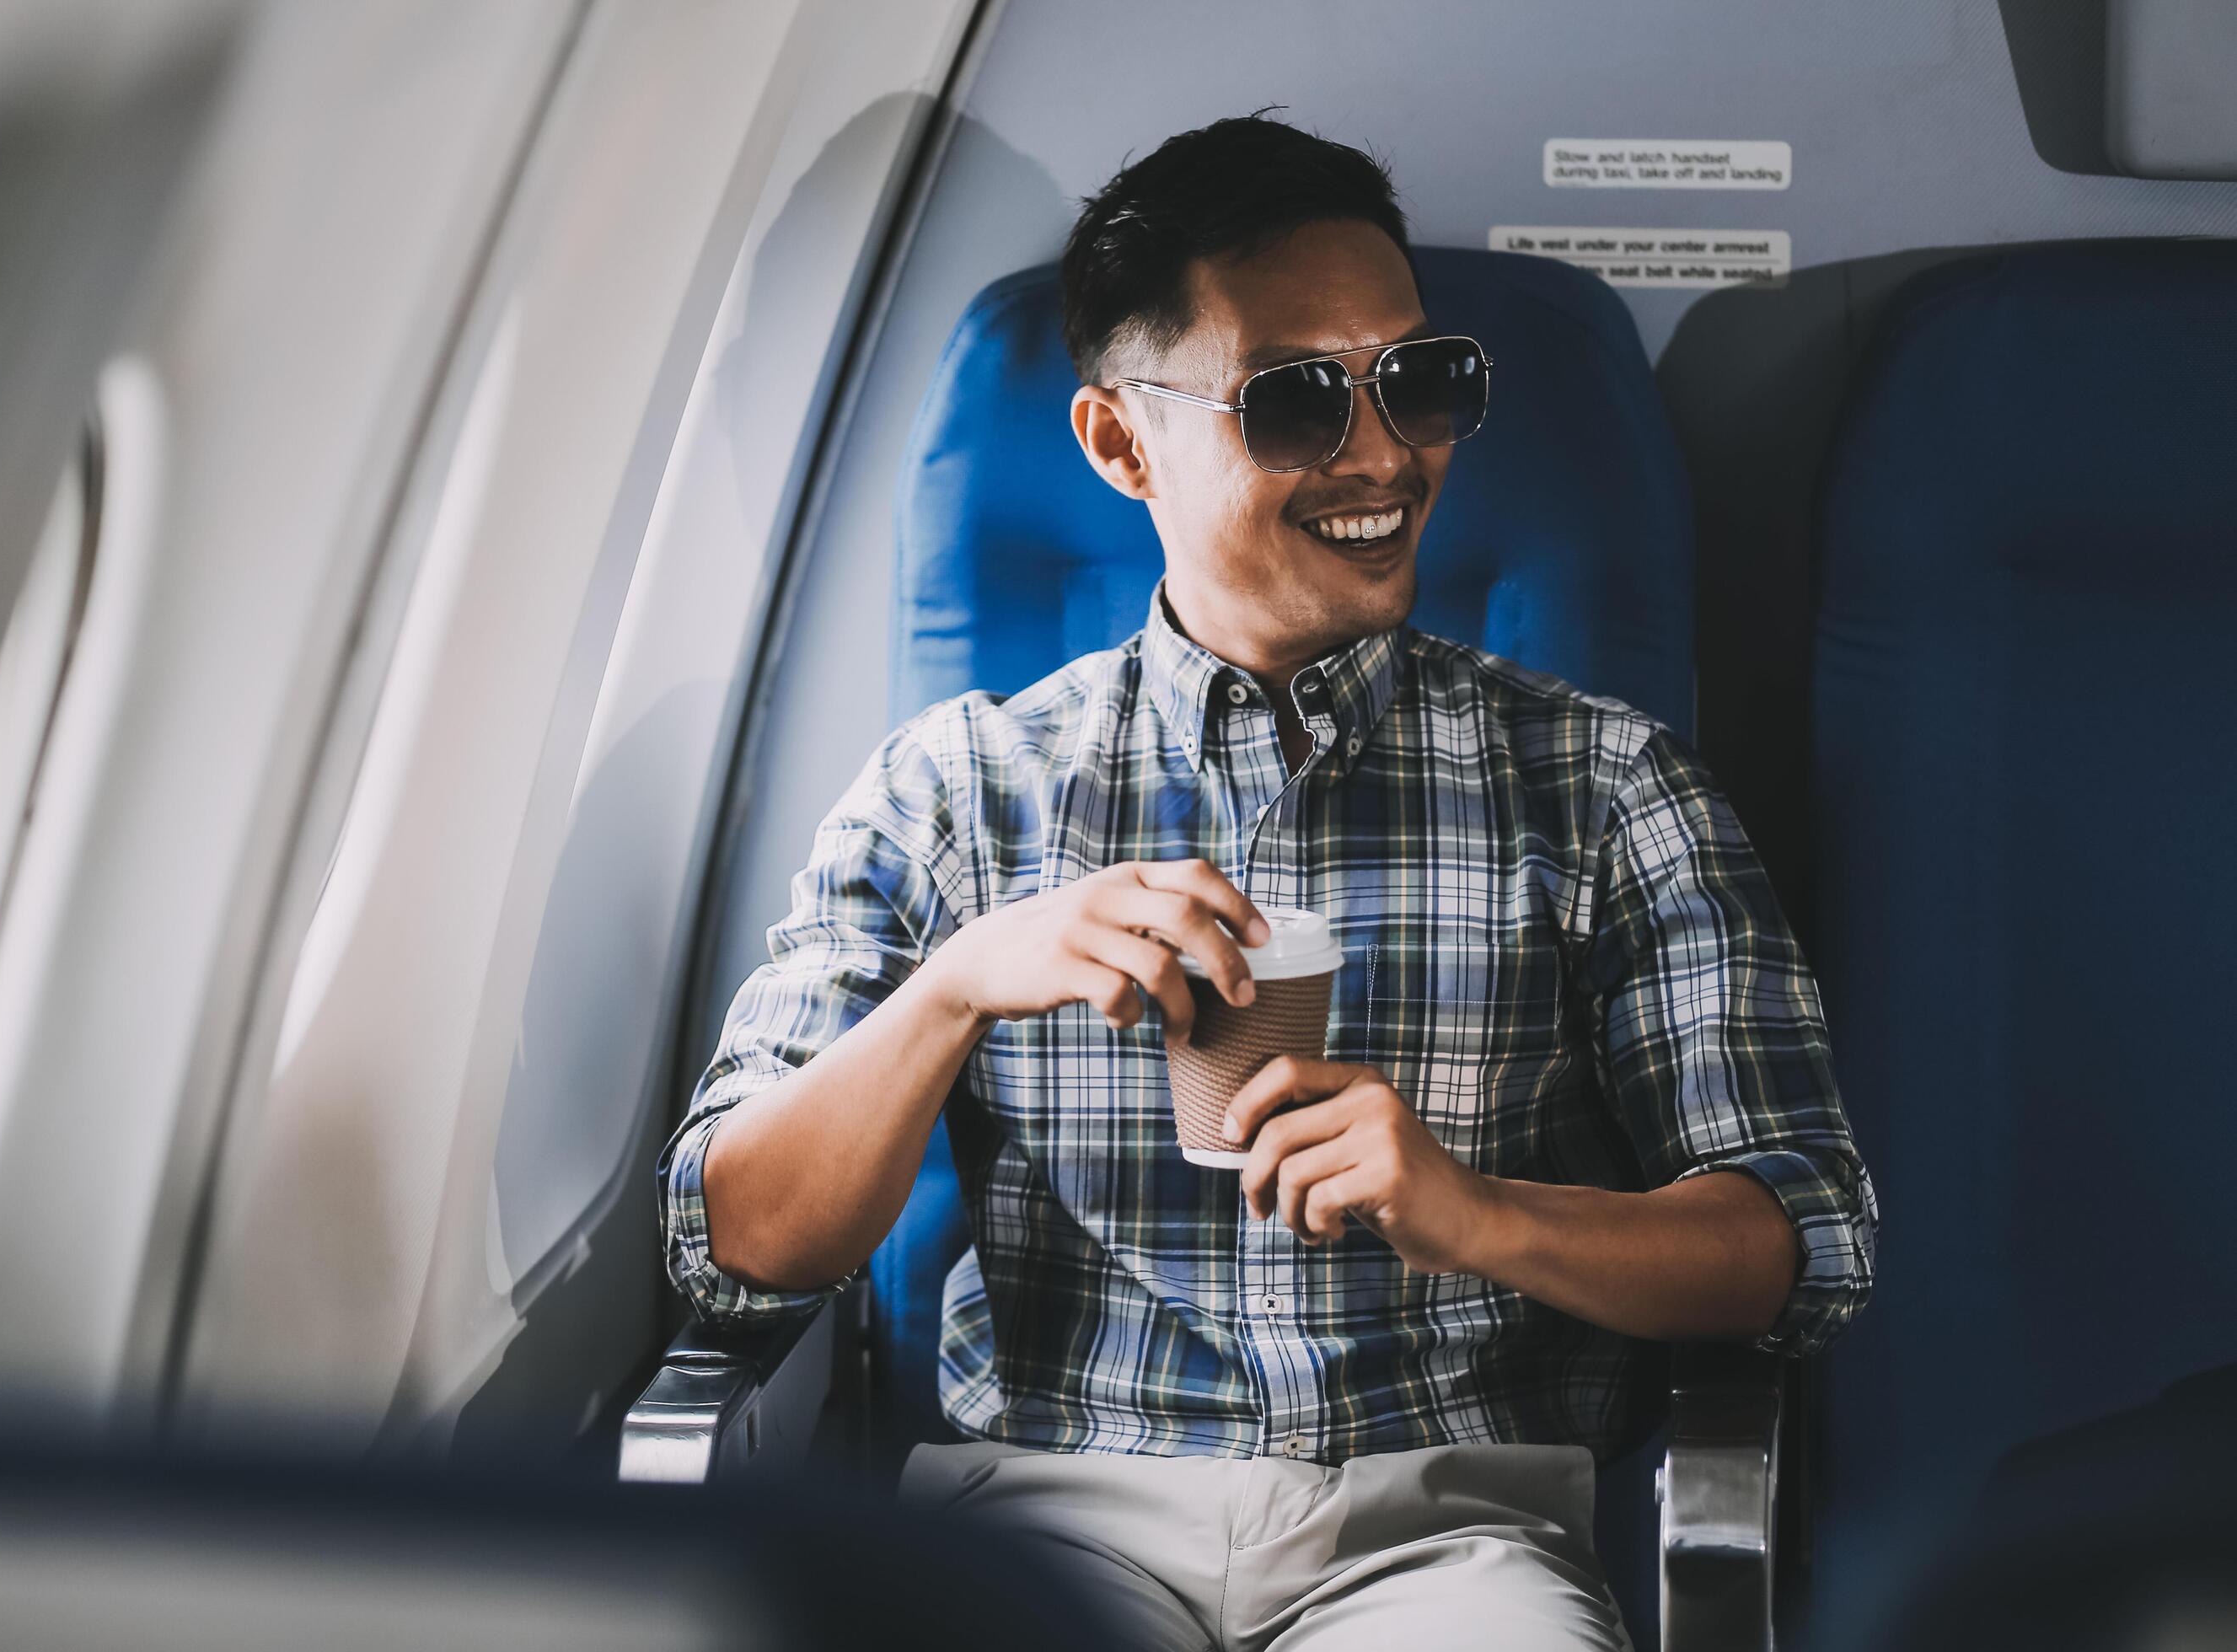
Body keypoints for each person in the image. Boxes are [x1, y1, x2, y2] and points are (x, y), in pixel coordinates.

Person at [657, 114, 1875, 1650]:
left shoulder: (1602, 788)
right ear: (1120, 443)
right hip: (1048, 1516)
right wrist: (959, 982)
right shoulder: (955, 791)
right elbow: (736, 1253)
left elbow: (1799, 1241)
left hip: (1448, 1534)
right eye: (1298, 401)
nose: (1381, 456)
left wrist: (1477, 1212)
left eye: (1419, 382)